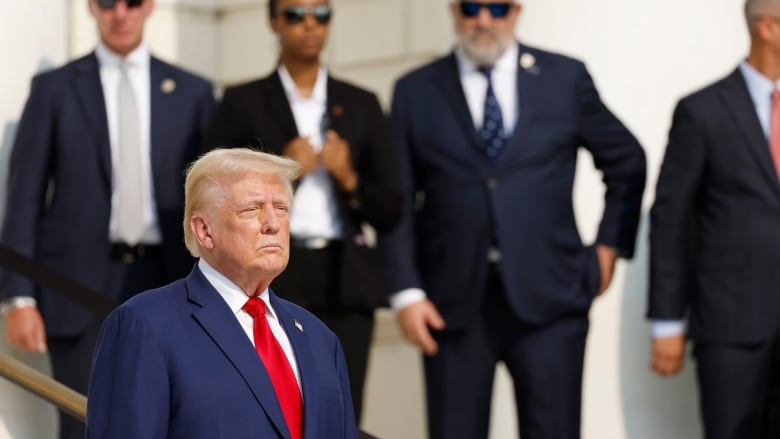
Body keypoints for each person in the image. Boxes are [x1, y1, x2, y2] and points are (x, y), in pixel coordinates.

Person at [380, 1, 646, 438]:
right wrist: (406, 292)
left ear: (517, 11)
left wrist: (608, 248)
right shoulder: (416, 90)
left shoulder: (565, 78)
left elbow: (627, 162)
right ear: (453, 10)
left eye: (497, 7)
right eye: (471, 7)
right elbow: (398, 199)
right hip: (451, 306)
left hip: (552, 300)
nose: (483, 19)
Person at [0, 1, 214, 437]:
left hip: (171, 280)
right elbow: (24, 197)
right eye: (107, 3)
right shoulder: (53, 89)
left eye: (132, 2)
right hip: (73, 289)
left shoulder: (194, 92)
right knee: (84, 423)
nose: (120, 13)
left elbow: (212, 197)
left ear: (149, 7)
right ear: (90, 9)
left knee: (173, 422)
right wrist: (17, 298)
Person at [204, 0, 401, 422]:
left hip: (345, 278)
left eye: (321, 13)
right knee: (265, 407)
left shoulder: (361, 103)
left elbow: (392, 208)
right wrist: (281, 167)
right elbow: (213, 192)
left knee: (341, 412)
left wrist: (350, 178)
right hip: (269, 274)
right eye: (295, 14)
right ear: (273, 21)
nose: (309, 24)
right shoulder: (242, 102)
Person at [86, 148, 357, 439]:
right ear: (204, 231)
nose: (273, 224)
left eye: (281, 208)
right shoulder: (144, 326)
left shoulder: (320, 339)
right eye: (252, 209)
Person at [648, 1, 780, 437]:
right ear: (768, 29)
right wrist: (667, 321)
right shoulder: (703, 110)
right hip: (732, 326)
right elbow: (670, 220)